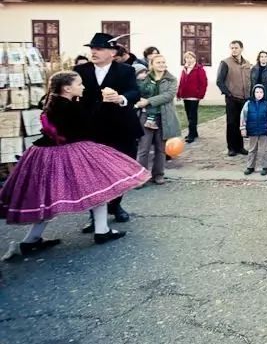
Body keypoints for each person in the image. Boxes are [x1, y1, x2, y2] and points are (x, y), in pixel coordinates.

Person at [1, 71, 149, 259]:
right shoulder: (67, 107)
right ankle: (101, 231)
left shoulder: (53, 102)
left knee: (47, 200)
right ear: (67, 88)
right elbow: (88, 126)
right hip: (66, 153)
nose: (83, 87)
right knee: (97, 187)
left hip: (46, 153)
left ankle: (31, 240)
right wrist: (104, 104)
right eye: (79, 84)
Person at [74, 33, 144, 229]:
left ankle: (115, 205)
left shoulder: (125, 70)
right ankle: (95, 215)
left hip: (121, 128)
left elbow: (134, 92)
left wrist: (121, 98)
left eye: (99, 49)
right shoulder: (80, 70)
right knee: (92, 174)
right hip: (91, 130)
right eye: (92, 49)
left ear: (112, 52)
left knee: (120, 171)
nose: (94, 52)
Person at [135, 55, 181, 186]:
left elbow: (168, 96)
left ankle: (158, 175)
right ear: (152, 64)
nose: (162, 64)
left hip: (164, 117)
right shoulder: (145, 78)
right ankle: (141, 177)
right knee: (144, 148)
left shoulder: (171, 79)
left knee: (161, 149)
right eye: (158, 62)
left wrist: (148, 101)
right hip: (146, 117)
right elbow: (139, 92)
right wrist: (140, 82)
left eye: (163, 62)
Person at [216, 40, 252, 157]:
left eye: (236, 48)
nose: (234, 50)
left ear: (241, 48)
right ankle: (231, 148)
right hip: (232, 98)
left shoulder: (247, 63)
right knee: (231, 123)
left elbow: (249, 80)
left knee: (241, 123)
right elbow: (219, 81)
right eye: (232, 48)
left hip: (244, 98)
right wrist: (228, 94)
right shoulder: (225, 63)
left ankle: (240, 147)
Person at [239, 84, 267, 176]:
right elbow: (243, 116)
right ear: (253, 93)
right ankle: (250, 166)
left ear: (264, 93)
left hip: (263, 130)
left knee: (264, 149)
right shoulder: (248, 104)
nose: (259, 94)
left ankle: (265, 166)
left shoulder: (266, 104)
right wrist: (243, 128)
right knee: (252, 149)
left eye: (261, 92)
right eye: (257, 92)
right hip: (252, 130)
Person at [177, 51, 208, 143]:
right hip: (185, 96)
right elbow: (181, 82)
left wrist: (200, 94)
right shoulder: (184, 69)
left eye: (191, 58)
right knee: (188, 115)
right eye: (187, 58)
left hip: (194, 96)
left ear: (194, 59)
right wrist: (179, 93)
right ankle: (194, 132)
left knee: (192, 116)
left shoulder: (199, 69)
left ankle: (191, 135)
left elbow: (203, 83)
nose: (189, 60)